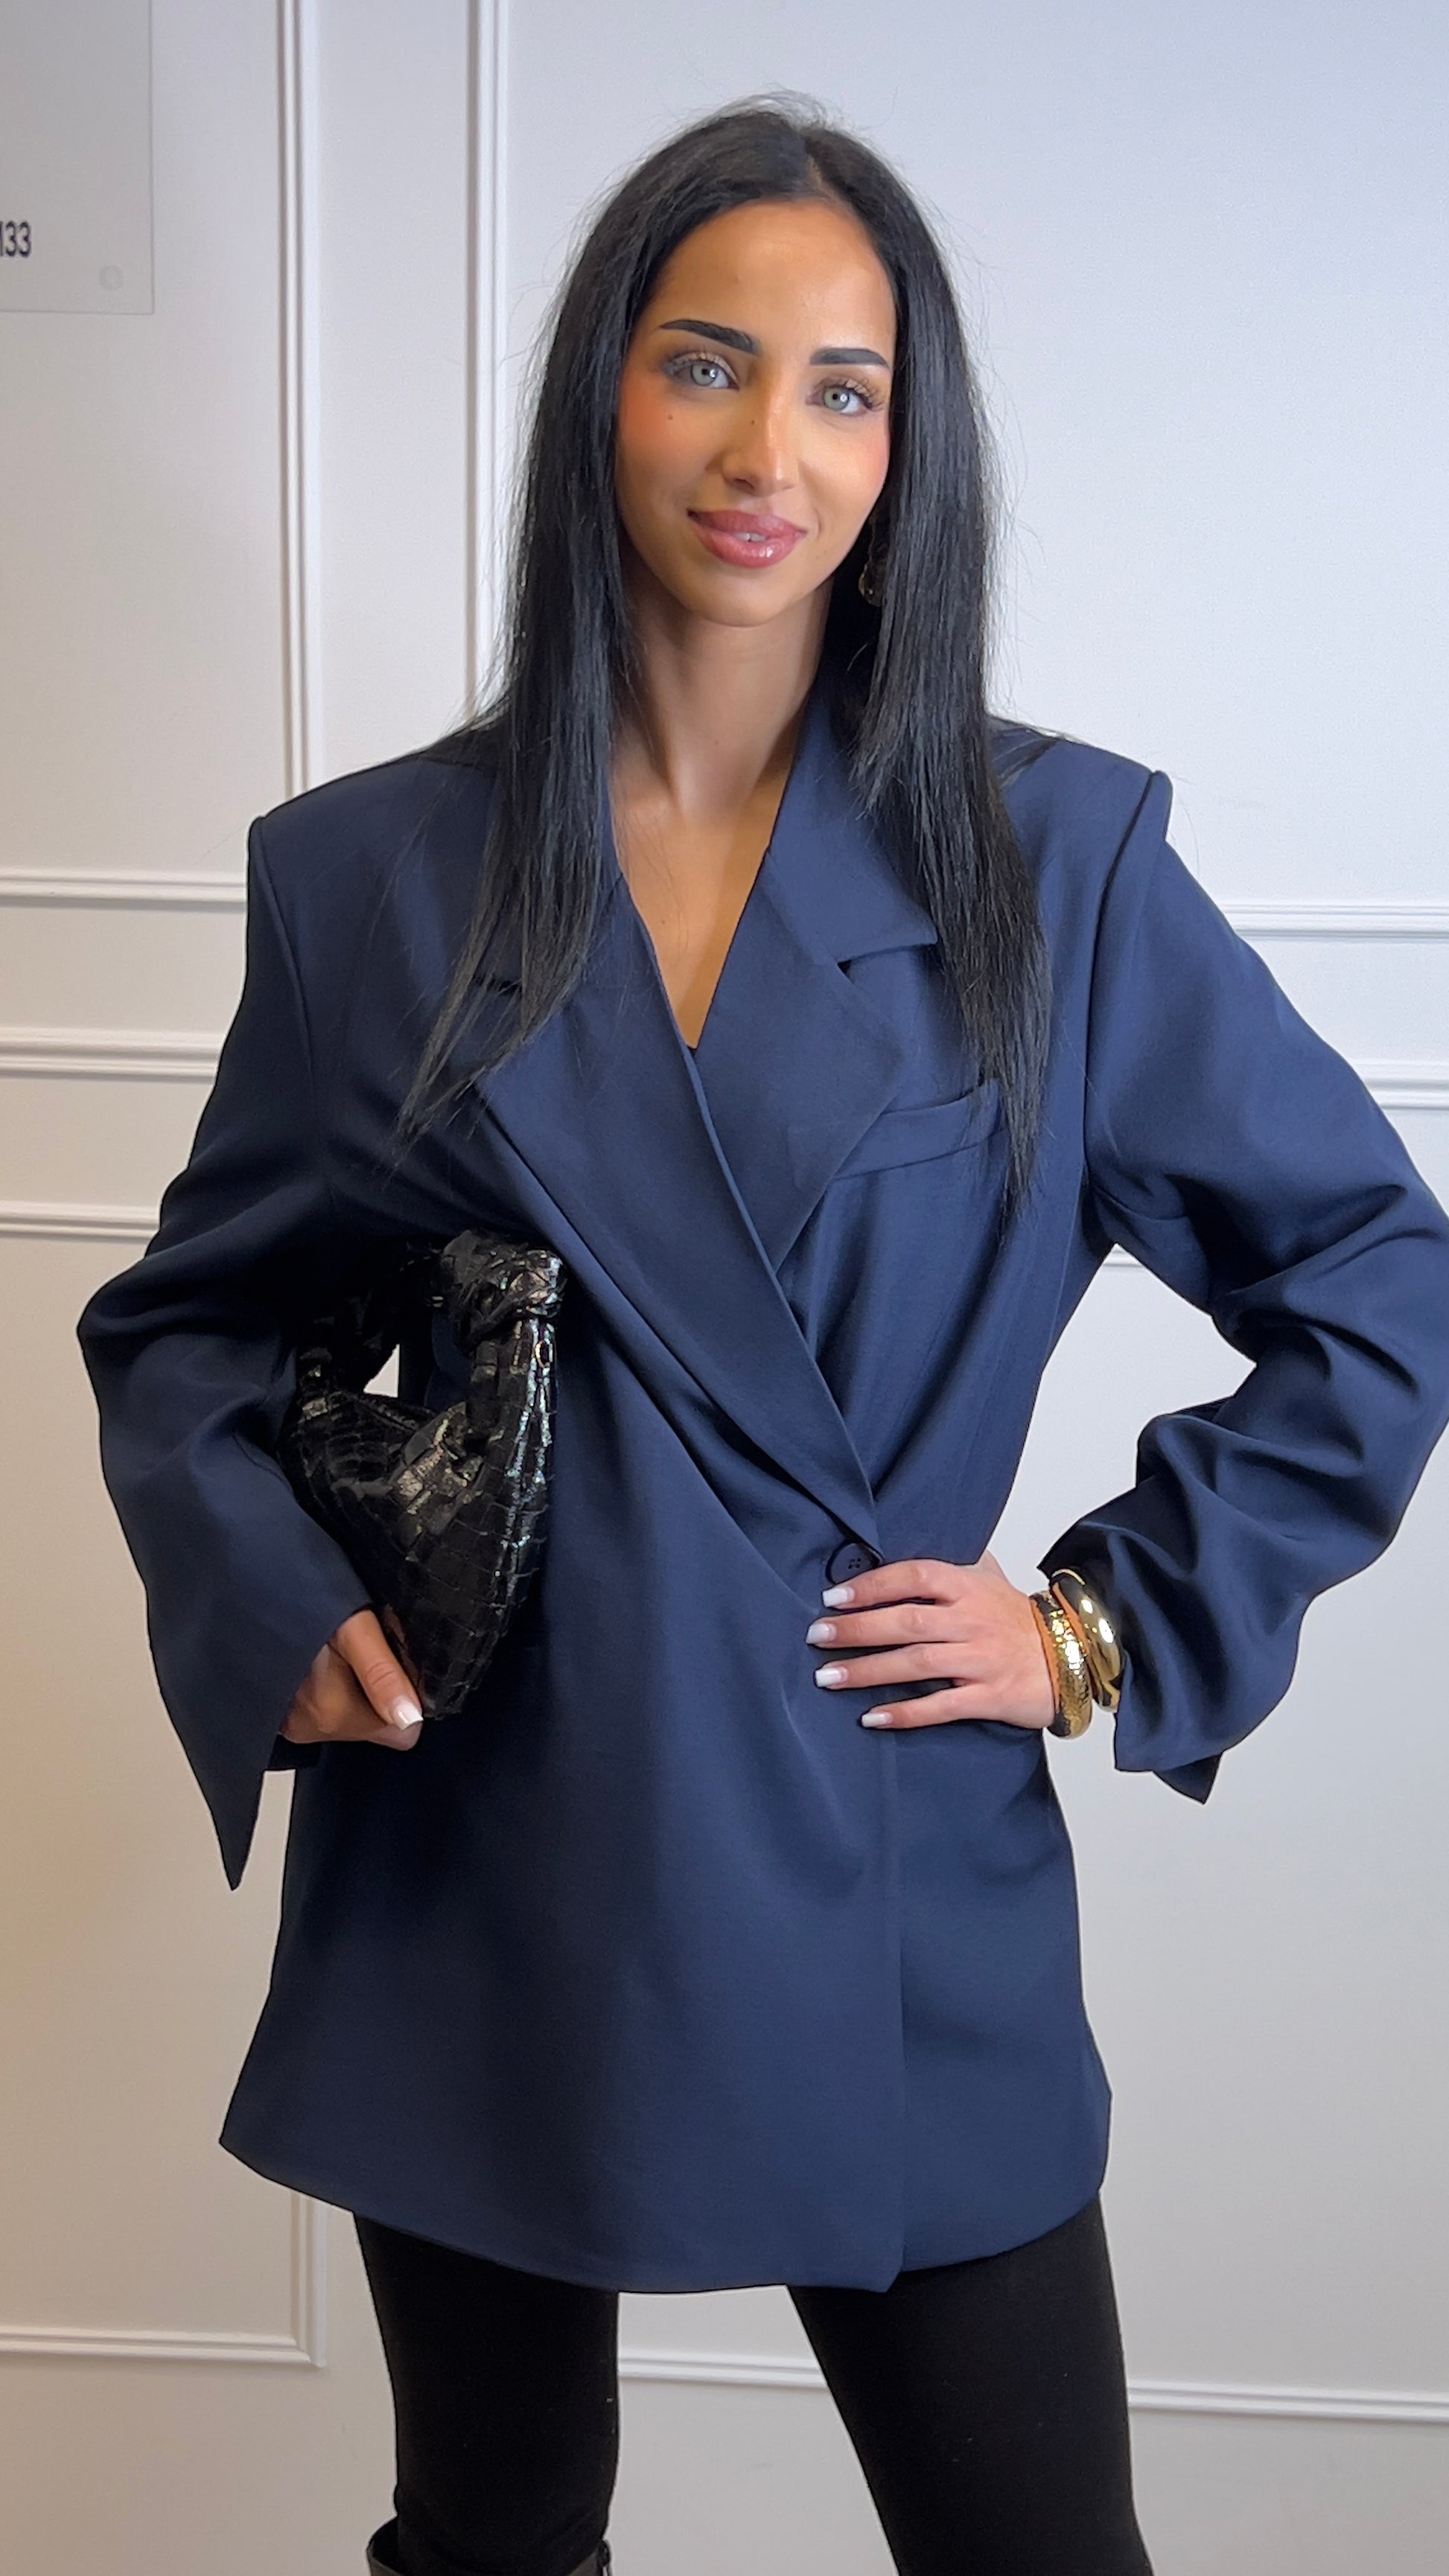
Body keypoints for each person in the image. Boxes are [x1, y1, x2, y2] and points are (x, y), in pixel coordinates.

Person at [77, 97, 1449, 2576]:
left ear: (905, 452)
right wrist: (268, 1599)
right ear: (602, 391)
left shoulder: (1054, 863)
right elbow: (189, 1327)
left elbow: (1375, 1269)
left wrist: (1097, 1621)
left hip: (882, 1842)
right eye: (706, 362)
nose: (766, 450)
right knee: (492, 2541)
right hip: (486, 1842)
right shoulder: (371, 878)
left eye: (843, 389)